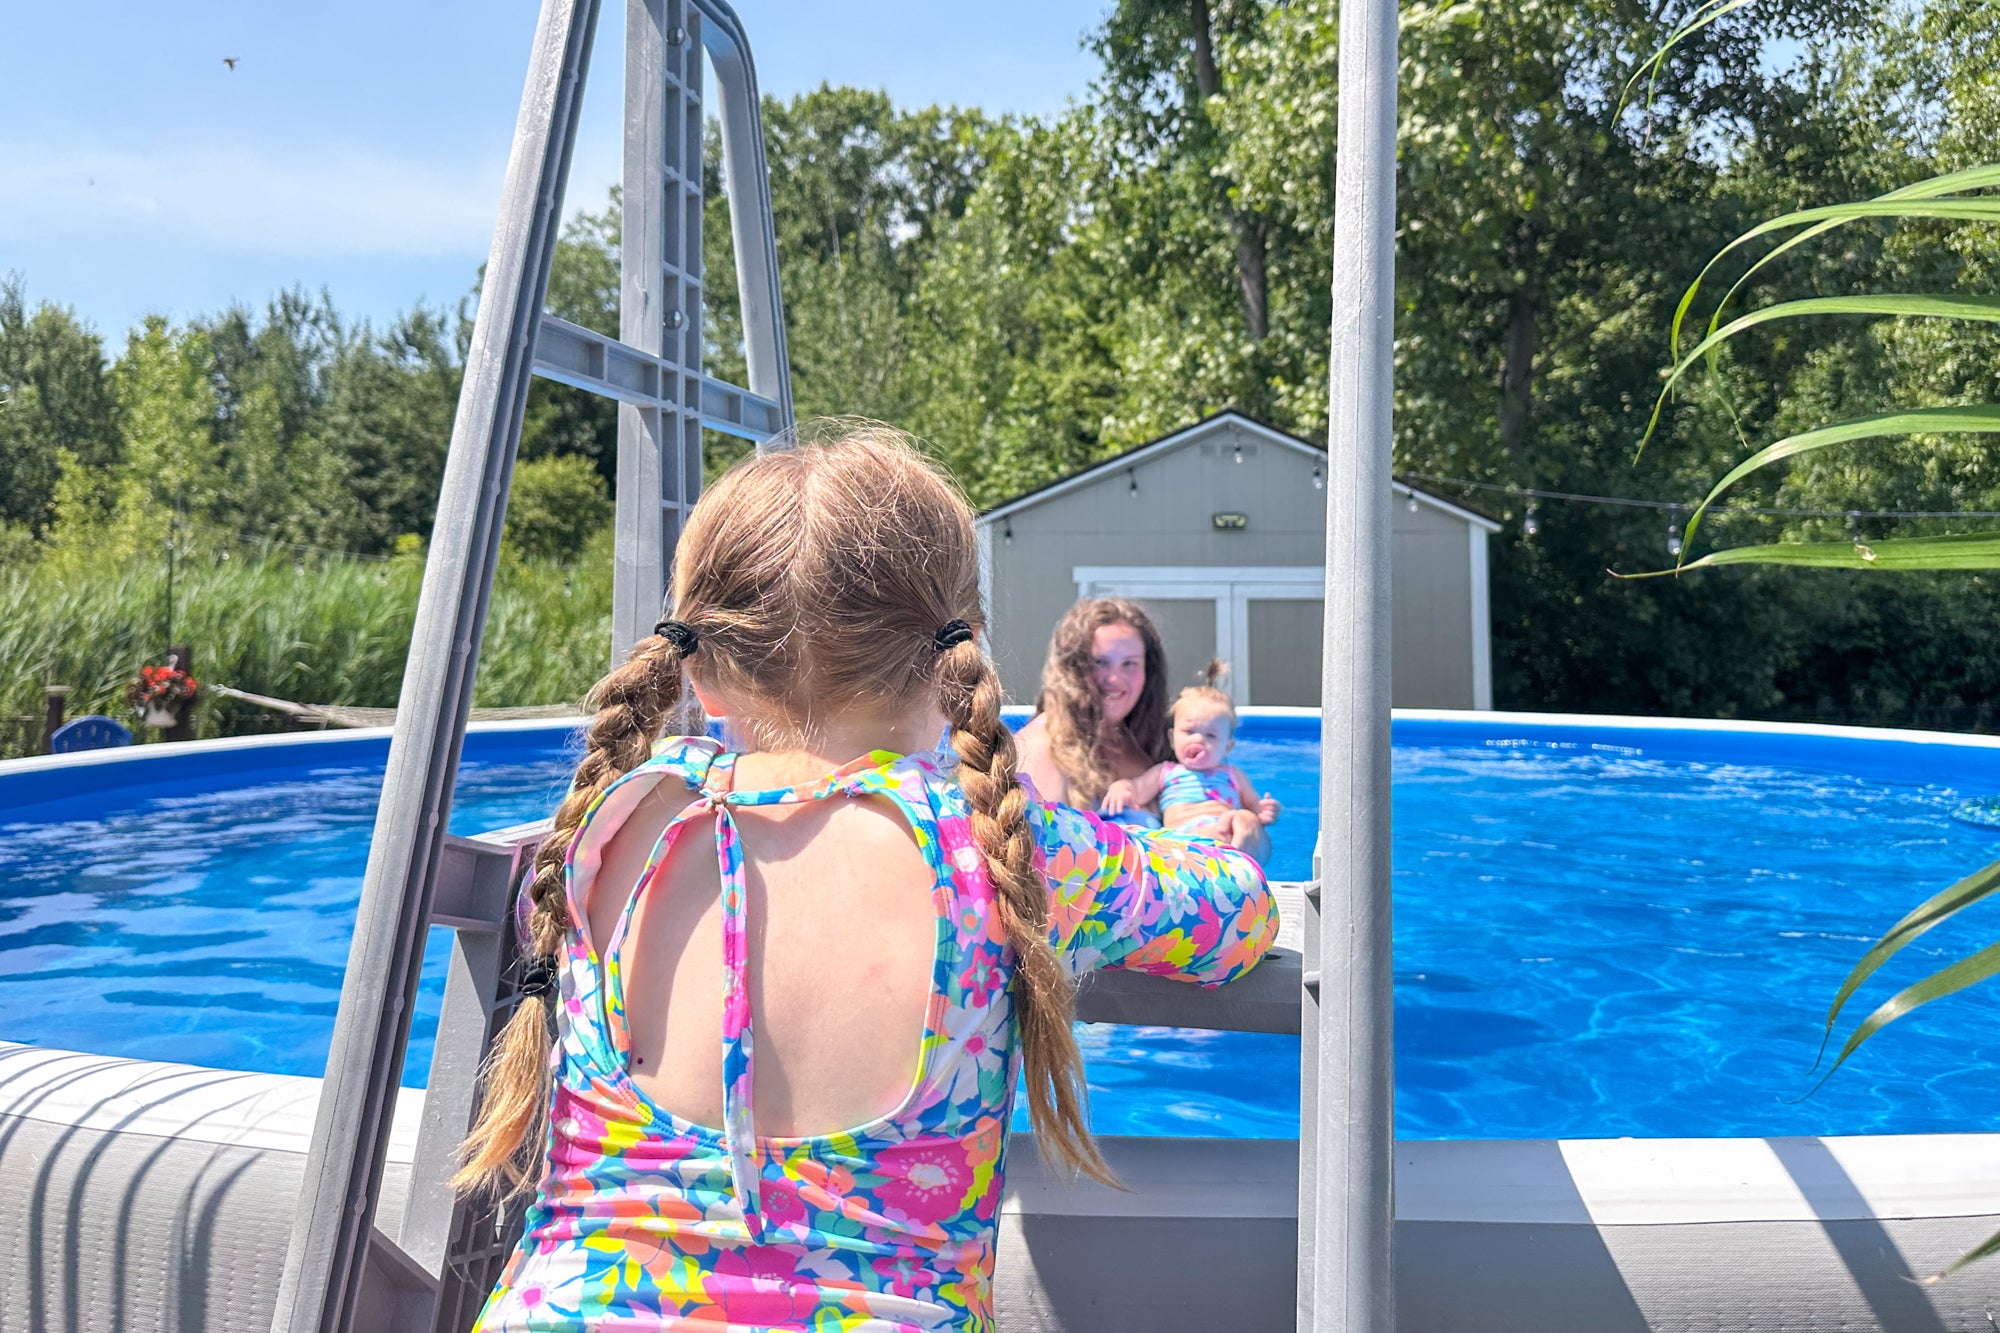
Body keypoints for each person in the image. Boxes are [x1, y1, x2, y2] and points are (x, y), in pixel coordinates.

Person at [456, 425, 1278, 1332]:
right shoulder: (997, 845)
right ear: (953, 659)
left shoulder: (614, 822)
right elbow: (1237, 914)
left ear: (704, 670)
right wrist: (1205, 820)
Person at [1013, 598, 1173, 820]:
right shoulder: (1042, 746)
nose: (1115, 679)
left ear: (1148, 670)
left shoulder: (1151, 745)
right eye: (1100, 662)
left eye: (1130, 664)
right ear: (1072, 669)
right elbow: (1037, 848)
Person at [1100, 673, 1280, 858]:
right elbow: (1137, 789)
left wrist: (1263, 811)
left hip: (1228, 827)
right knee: (1206, 834)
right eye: (1189, 731)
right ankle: (1230, 854)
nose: (1198, 739)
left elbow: (1253, 806)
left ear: (1227, 747)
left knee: (1247, 820)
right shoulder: (1166, 772)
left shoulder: (1233, 775)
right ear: (1172, 738)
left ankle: (1240, 850)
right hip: (1184, 834)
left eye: (1211, 735)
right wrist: (1121, 787)